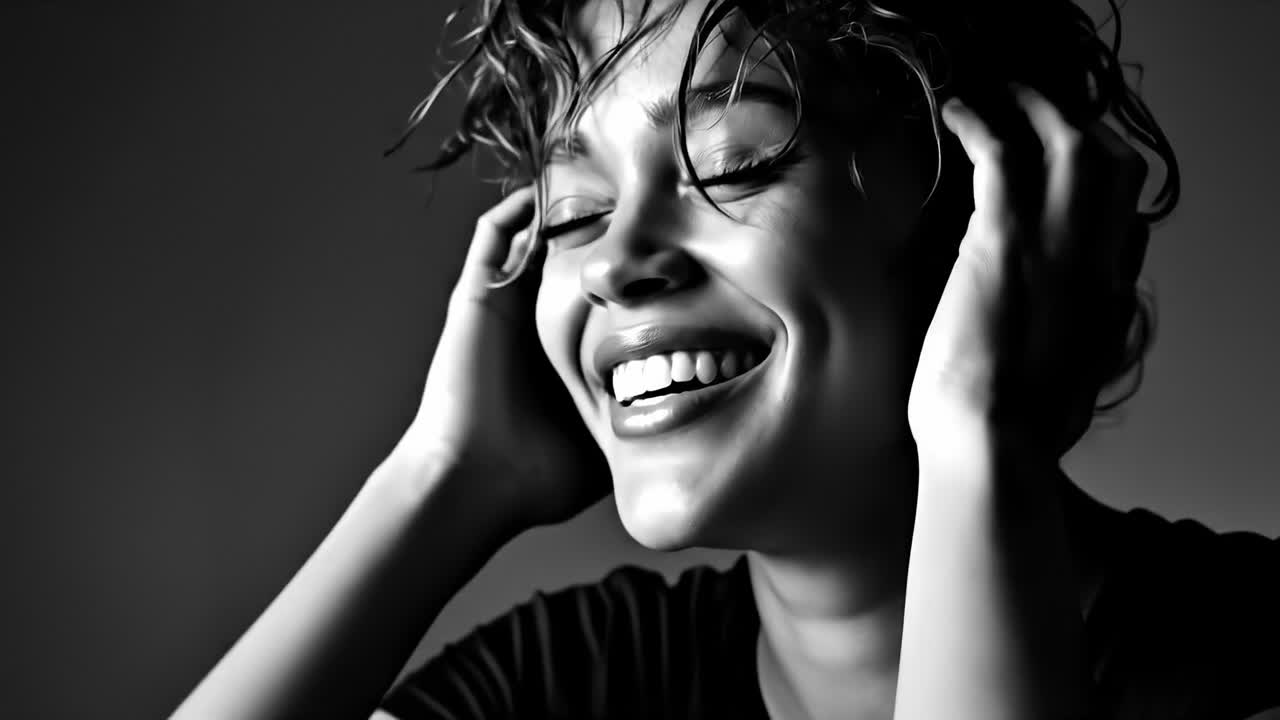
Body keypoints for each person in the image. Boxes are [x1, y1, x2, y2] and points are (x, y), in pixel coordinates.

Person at [175, 0, 1280, 718]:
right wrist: (439, 479)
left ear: (999, 210)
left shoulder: (1244, 658)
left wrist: (974, 445)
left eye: (731, 162)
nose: (616, 260)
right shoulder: (568, 692)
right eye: (572, 212)